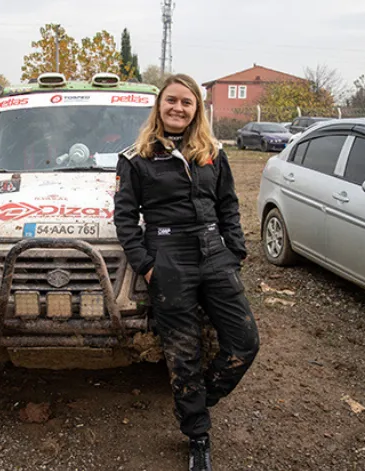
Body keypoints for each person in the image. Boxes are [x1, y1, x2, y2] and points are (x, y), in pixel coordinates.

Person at [113, 74, 260, 471]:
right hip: (168, 254)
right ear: (159, 106)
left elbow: (228, 205)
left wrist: (236, 252)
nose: (178, 108)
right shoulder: (135, 158)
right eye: (171, 101)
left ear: (197, 109)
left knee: (244, 342)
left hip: (214, 253)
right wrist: (146, 265)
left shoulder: (212, 152)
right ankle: (198, 435)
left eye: (187, 102)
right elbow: (125, 219)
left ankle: (193, 401)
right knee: (183, 352)